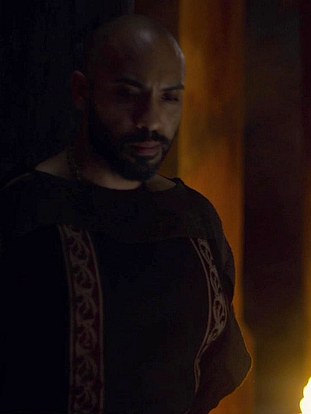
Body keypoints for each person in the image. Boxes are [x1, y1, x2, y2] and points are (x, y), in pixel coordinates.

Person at [0, 14, 250, 413]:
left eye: (169, 97)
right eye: (127, 94)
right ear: (82, 92)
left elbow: (214, 368)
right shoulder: (26, 212)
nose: (150, 119)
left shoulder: (194, 219)